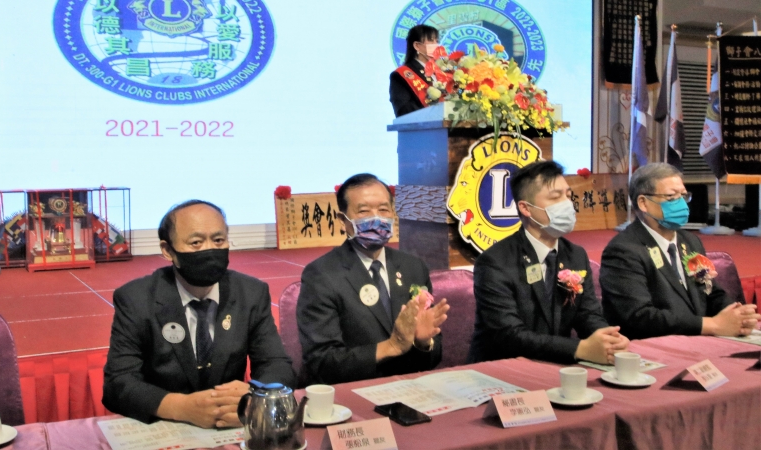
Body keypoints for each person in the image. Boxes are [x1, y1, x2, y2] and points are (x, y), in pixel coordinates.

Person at [103, 200, 295, 428]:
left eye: (218, 240)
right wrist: (181, 407)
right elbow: (118, 383)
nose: (209, 250)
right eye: (196, 243)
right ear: (168, 251)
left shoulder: (251, 293)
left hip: (230, 426)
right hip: (167, 425)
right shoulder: (136, 299)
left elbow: (277, 364)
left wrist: (254, 398)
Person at [468, 161, 629, 365]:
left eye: (568, 195)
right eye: (555, 197)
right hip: (503, 366)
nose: (567, 204)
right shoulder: (495, 261)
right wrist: (579, 349)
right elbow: (508, 334)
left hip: (557, 363)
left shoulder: (575, 255)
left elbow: (587, 314)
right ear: (526, 208)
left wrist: (608, 339)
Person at [297, 173, 449, 385]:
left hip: (410, 387)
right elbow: (321, 362)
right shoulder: (322, 275)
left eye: (384, 210)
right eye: (364, 211)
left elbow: (434, 354)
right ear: (343, 221)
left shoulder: (413, 267)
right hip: (354, 390)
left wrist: (423, 343)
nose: (376, 218)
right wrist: (391, 346)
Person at [600, 163, 760, 339]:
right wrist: (711, 325)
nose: (681, 204)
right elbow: (640, 316)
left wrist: (736, 315)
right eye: (671, 197)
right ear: (643, 203)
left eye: (683, 196)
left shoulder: (690, 241)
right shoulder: (623, 250)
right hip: (653, 344)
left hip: (698, 340)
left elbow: (710, 291)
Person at [389, 24, 439, 117]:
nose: (436, 45)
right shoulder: (400, 76)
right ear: (417, 46)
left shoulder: (442, 72)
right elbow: (403, 111)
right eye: (431, 40)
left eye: (437, 41)